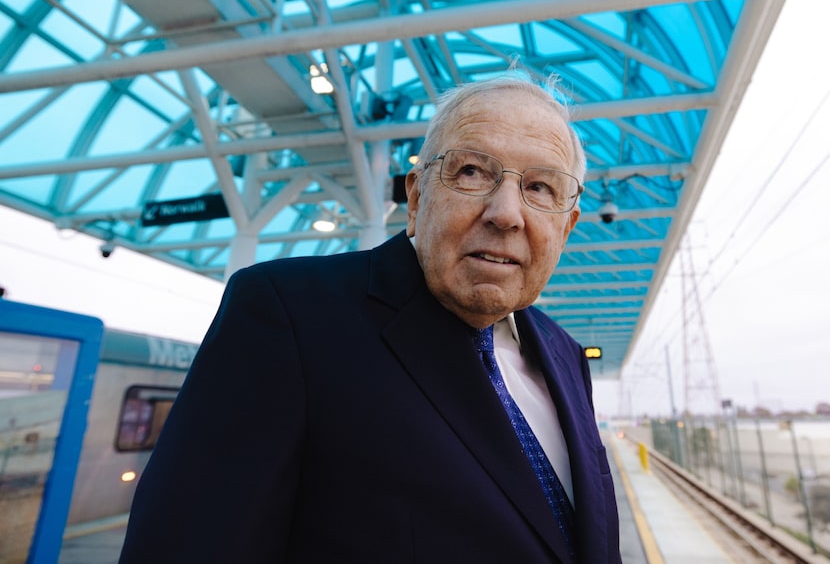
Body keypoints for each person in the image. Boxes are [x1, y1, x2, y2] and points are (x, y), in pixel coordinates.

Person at [118, 74, 621, 563]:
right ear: (418, 196)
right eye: (472, 172)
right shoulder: (287, 314)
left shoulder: (564, 353)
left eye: (541, 188)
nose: (507, 213)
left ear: (567, 226)